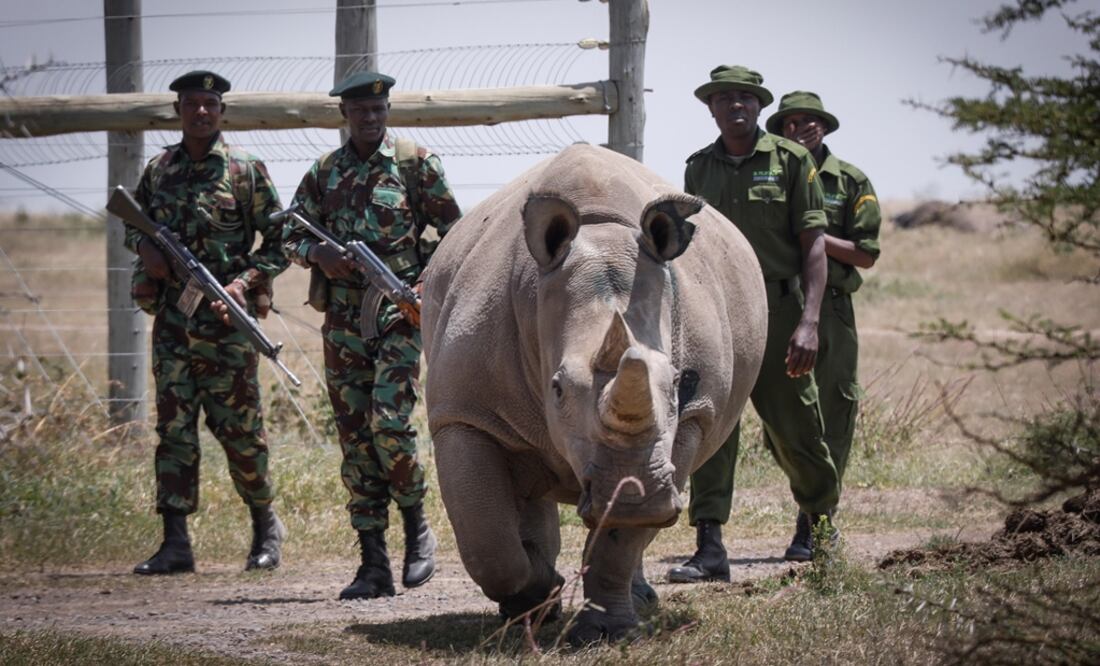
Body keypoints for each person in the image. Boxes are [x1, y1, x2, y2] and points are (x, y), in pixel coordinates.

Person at [283, 71, 461, 600]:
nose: (370, 117)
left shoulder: (414, 164)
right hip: (342, 323)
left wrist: (423, 284)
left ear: (387, 111)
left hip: (399, 315)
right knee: (356, 439)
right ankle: (372, 563)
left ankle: (416, 528)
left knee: (389, 423)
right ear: (345, 114)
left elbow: (453, 231)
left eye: (378, 109)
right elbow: (289, 230)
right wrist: (319, 254)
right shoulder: (325, 172)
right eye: (360, 109)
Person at [668, 65, 839, 583]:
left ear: (761, 106)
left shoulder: (791, 162)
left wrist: (808, 322)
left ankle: (819, 528)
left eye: (746, 98)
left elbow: (815, 245)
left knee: (797, 428)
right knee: (710, 426)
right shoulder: (698, 169)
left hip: (779, 309)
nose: (736, 106)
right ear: (711, 108)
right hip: (718, 313)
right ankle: (710, 546)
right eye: (725, 99)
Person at [127, 70, 289, 575]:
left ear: (222, 112)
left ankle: (266, 531)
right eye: (192, 104)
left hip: (225, 325)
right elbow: (133, 226)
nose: (201, 112)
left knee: (241, 431)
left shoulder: (245, 171)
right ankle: (175, 543)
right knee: (174, 431)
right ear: (178, 111)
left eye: (210, 104)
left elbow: (280, 244)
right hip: (174, 324)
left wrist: (243, 283)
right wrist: (145, 249)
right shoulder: (159, 171)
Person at [766, 91, 881, 561]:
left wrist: (812, 235)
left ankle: (815, 523)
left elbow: (866, 253)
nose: (801, 130)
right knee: (782, 418)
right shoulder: (771, 177)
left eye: (810, 122)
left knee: (833, 413)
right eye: (791, 123)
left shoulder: (850, 180)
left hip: (830, 309)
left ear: (825, 128)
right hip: (778, 304)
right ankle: (808, 499)